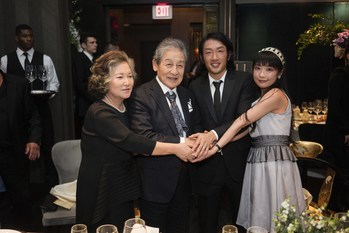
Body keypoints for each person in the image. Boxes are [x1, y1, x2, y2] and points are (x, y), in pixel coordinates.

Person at [76, 50, 192, 232]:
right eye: (120, 77)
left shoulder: (126, 105)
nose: (127, 82)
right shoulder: (99, 112)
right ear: (104, 80)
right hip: (102, 187)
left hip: (123, 184)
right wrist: (178, 148)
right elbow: (133, 142)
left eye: (130, 76)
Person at [192, 47, 306, 232]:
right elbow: (245, 130)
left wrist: (214, 145)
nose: (262, 74)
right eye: (258, 68)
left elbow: (241, 121)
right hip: (259, 161)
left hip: (274, 162)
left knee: (276, 216)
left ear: (280, 73)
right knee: (262, 215)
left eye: (269, 69)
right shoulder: (260, 98)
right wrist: (214, 144)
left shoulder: (275, 95)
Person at [128, 37, 201, 233]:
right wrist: (184, 142)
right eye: (168, 64)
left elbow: (195, 127)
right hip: (155, 185)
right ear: (155, 64)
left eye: (180, 65)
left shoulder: (187, 95)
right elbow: (144, 137)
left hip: (185, 184)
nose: (174, 71)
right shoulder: (140, 95)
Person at [188, 32, 257, 233]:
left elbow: (243, 119)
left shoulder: (244, 80)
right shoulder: (194, 85)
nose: (214, 57)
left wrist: (213, 135)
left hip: (238, 165)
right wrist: (203, 138)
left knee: (241, 224)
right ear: (201, 57)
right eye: (208, 52)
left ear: (228, 54)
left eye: (220, 51)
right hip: (207, 167)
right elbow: (195, 124)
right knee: (206, 224)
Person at [0, 23, 59, 190]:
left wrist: (44, 95)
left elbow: (54, 84)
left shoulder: (45, 59)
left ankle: (51, 193)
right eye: (25, 36)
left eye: (31, 36)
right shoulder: (5, 61)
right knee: (19, 155)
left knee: (48, 152)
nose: (29, 39)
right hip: (17, 116)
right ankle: (22, 195)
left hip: (41, 110)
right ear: (16, 38)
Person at [0, 68, 41, 230]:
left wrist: (33, 140)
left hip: (14, 155)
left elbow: (33, 116)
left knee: (21, 203)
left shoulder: (18, 84)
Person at [325, 30, 349, 211]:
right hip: (340, 135)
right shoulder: (340, 75)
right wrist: (346, 130)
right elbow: (335, 108)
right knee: (338, 174)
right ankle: (333, 211)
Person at [72, 32, 98, 138]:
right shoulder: (79, 59)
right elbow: (80, 84)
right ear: (83, 45)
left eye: (96, 42)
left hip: (93, 105)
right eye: (92, 42)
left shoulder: (94, 60)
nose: (95, 44)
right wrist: (96, 98)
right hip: (85, 106)